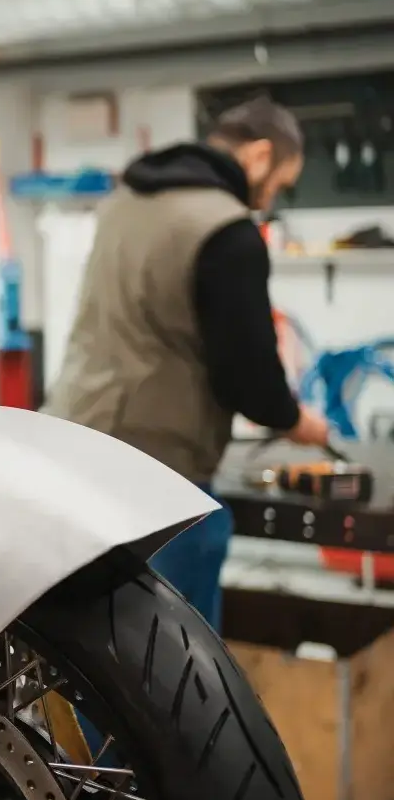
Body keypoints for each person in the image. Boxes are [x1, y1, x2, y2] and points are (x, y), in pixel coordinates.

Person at [43, 96, 330, 631]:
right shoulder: (227, 231)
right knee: (170, 678)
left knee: (84, 658)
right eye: (280, 183)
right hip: (158, 483)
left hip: (75, 446)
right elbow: (249, 380)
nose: (271, 198)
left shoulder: (125, 200)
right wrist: (297, 421)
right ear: (261, 156)